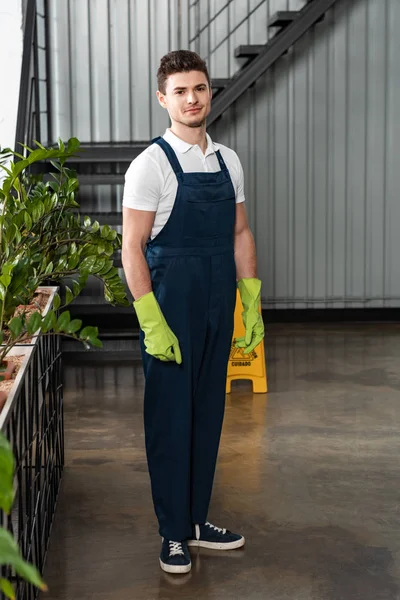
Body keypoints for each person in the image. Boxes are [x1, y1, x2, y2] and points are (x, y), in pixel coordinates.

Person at [122, 50, 264, 575]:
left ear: (210, 93)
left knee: (208, 415)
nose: (191, 99)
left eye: (199, 89)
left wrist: (250, 301)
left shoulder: (229, 160)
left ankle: (197, 521)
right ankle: (172, 533)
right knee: (170, 420)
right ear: (163, 99)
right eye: (180, 91)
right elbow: (131, 247)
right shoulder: (150, 165)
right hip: (171, 306)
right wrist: (151, 321)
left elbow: (240, 232)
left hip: (216, 301)